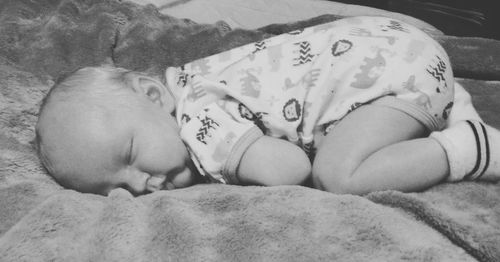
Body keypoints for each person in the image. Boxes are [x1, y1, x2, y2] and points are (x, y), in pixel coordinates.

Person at [35, 16, 500, 196]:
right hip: (399, 49)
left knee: (339, 175)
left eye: (131, 156)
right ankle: (449, 107)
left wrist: (234, 165)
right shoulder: (195, 81)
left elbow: (289, 168)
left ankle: (467, 147)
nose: (137, 185)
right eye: (113, 186)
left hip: (387, 75)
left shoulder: (199, 120)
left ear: (154, 96)